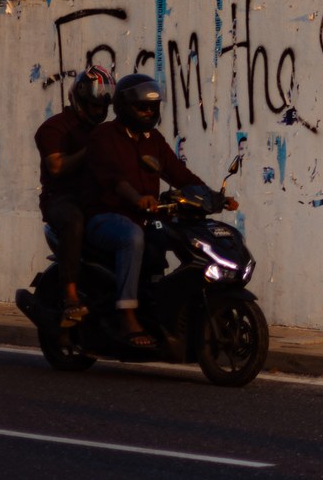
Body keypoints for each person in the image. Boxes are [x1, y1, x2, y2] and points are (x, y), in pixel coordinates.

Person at [83, 73, 236, 347]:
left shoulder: (153, 139)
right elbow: (114, 179)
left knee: (183, 235)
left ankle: (168, 308)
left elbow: (179, 175)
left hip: (146, 218)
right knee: (132, 238)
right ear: (124, 107)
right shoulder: (104, 136)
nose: (149, 111)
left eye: (153, 107)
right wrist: (138, 198)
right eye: (143, 107)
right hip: (104, 218)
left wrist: (214, 197)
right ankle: (128, 316)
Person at [37, 67, 112, 328]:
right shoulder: (54, 128)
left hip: (95, 197)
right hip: (61, 200)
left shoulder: (105, 131)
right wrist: (90, 150)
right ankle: (70, 297)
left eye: (102, 107)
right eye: (93, 106)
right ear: (79, 100)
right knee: (74, 221)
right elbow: (56, 166)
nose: (98, 112)